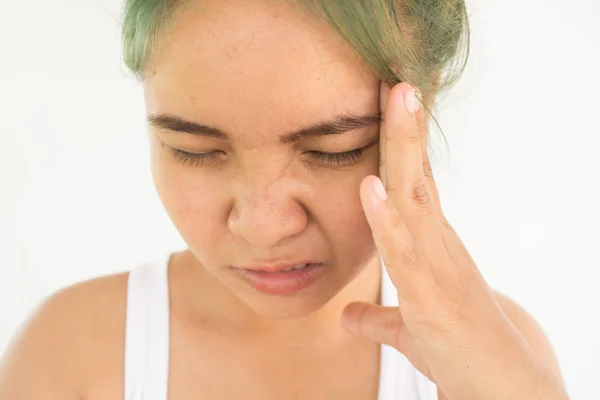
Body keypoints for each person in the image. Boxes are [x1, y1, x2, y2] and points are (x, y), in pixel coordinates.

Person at [0, 1, 570, 399]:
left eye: (334, 149)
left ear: (421, 106)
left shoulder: (502, 361)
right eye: (194, 149)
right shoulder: (70, 355)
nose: (263, 227)